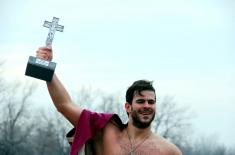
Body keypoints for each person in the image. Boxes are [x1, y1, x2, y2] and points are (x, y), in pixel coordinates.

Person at [36, 46, 182, 155]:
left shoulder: (169, 151)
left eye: (151, 102)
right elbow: (64, 105)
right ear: (128, 107)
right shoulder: (106, 132)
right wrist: (46, 67)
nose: (146, 106)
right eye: (140, 101)